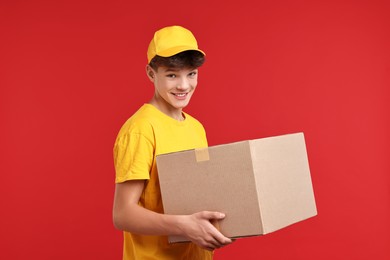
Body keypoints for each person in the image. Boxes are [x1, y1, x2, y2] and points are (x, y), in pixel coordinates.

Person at [112, 25, 232, 260]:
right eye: (171, 75)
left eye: (192, 74)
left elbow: (199, 196)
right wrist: (184, 226)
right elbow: (123, 214)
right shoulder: (140, 130)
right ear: (150, 73)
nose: (184, 85)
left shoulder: (196, 127)